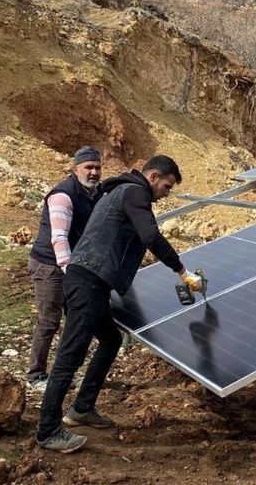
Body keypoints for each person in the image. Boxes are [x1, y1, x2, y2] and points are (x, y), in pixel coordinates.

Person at [35, 155, 205, 453]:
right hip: (88, 280)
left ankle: (82, 408)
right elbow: (150, 235)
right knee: (70, 356)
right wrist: (182, 271)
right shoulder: (135, 192)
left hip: (93, 280)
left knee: (111, 340)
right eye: (166, 186)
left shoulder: (119, 191)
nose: (166, 194)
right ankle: (48, 431)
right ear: (152, 177)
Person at [26, 146, 104, 392]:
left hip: (73, 265)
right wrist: (72, 274)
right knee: (48, 321)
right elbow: (59, 238)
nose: (93, 172)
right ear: (75, 169)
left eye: (97, 167)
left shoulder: (94, 193)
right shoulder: (63, 195)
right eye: (88, 167)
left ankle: (64, 372)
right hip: (50, 266)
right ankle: (36, 375)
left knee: (75, 320)